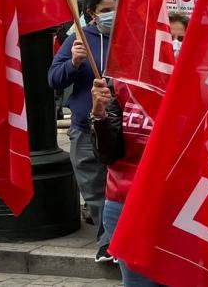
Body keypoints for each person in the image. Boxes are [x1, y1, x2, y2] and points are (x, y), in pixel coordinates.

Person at [49, 0, 115, 263]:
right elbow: (54, 79)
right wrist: (74, 63)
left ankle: (124, 237)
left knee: (123, 188)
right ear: (92, 14)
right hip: (86, 128)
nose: (112, 15)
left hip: (123, 126)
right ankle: (107, 242)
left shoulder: (134, 34)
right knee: (95, 188)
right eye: (105, 11)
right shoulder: (78, 39)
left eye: (116, 8)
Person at [90, 77, 158, 286]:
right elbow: (108, 155)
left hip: (180, 209)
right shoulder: (121, 83)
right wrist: (99, 115)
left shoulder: (198, 77)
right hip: (126, 205)